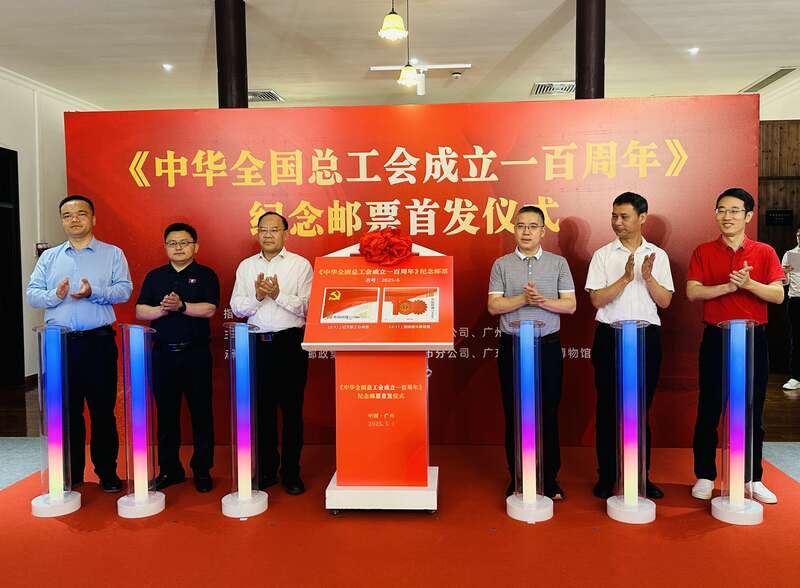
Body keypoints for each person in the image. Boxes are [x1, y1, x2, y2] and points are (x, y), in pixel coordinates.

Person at [26, 194, 132, 492]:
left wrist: (93, 292)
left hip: (98, 342)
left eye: (81, 213)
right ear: (62, 221)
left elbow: (124, 290)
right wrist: (55, 296)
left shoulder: (112, 254)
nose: (74, 219)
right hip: (59, 345)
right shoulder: (49, 258)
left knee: (102, 412)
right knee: (66, 413)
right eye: (67, 215)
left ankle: (107, 473)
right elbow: (32, 293)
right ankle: (71, 474)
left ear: (93, 218)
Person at [687, 187, 784, 504]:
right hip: (716, 337)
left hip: (753, 339)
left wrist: (749, 284)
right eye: (721, 210)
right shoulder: (704, 251)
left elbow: (778, 295)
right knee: (709, 407)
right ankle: (704, 475)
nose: (726, 216)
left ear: (748, 215)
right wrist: (728, 286)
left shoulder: (764, 252)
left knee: (752, 408)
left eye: (734, 210)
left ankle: (752, 478)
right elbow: (693, 292)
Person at [585, 192, 673, 500]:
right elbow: (597, 299)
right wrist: (625, 278)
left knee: (640, 409)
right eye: (614, 216)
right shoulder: (603, 255)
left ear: (642, 217)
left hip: (646, 337)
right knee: (608, 409)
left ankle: (640, 476)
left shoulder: (657, 255)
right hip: (610, 336)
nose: (617, 222)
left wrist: (647, 278)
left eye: (624, 216)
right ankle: (607, 476)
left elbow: (665, 301)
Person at [488, 205, 577, 500]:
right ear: (514, 229)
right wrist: (522, 299)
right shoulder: (501, 264)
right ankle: (517, 478)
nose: (526, 232)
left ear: (542, 231)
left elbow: (570, 305)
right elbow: (494, 306)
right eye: (521, 226)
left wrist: (541, 301)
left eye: (532, 226)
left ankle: (549, 480)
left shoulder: (558, 263)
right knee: (514, 412)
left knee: (547, 413)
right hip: (513, 346)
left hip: (546, 346)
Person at [230, 211, 313, 495]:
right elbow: (237, 307)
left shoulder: (300, 265)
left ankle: (291, 472)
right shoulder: (246, 267)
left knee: (292, 410)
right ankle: (266, 470)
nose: (268, 234)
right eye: (263, 229)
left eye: (274, 229)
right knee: (262, 411)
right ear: (257, 233)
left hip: (290, 344)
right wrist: (258, 296)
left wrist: (277, 295)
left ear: (285, 234)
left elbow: (307, 307)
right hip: (257, 344)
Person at [135, 223, 219, 493]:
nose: (178, 247)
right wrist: (164, 309)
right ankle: (170, 469)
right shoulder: (155, 276)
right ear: (165, 247)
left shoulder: (206, 275)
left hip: (196, 354)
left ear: (196, 246)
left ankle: (202, 470)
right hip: (163, 355)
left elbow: (210, 309)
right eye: (172, 243)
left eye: (184, 242)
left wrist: (181, 306)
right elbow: (140, 311)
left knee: (201, 413)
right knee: (166, 415)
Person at [780, 226, 800, 391]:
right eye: (799, 235)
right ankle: (796, 377)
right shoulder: (790, 254)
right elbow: (784, 283)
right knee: (796, 339)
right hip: (796, 300)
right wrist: (783, 273)